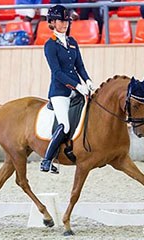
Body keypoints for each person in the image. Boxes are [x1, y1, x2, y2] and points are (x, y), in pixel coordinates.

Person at [40, 4, 94, 173]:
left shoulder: (72, 43)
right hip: (60, 92)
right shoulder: (50, 45)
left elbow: (80, 66)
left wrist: (88, 80)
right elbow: (57, 73)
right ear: (52, 22)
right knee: (65, 125)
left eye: (66, 21)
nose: (64, 24)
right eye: (60, 21)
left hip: (77, 91)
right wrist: (77, 85)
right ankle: (47, 160)